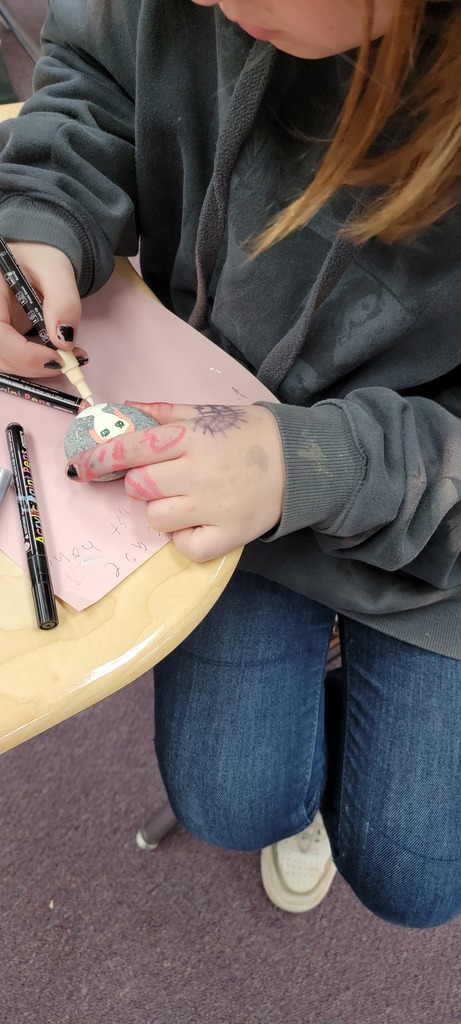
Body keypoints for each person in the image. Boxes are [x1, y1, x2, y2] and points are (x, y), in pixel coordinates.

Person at [0, 0, 460, 928]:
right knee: (230, 803)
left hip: (431, 516)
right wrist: (41, 218)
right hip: (217, 469)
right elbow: (93, 76)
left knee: (415, 878)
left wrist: (311, 468)